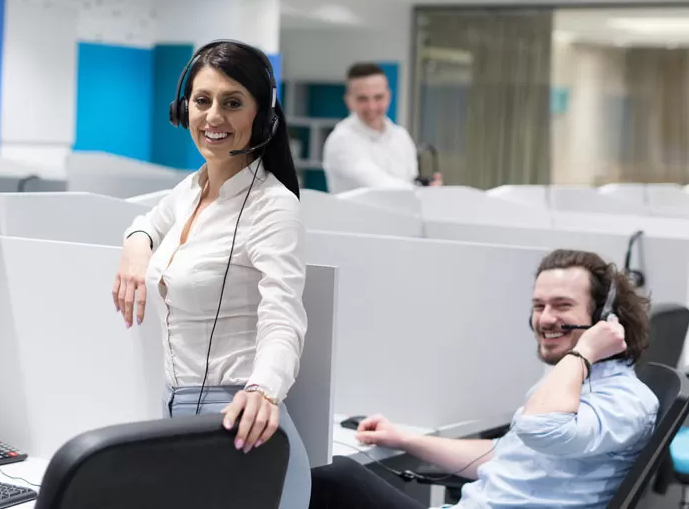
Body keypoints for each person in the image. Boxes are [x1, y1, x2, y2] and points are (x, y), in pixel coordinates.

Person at [113, 40, 310, 508]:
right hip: (178, 415)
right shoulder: (191, 189)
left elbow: (284, 313)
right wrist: (135, 249)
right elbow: (145, 222)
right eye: (202, 101)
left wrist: (265, 389)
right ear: (183, 110)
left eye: (232, 103)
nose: (213, 117)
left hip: (241, 421)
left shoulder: (273, 206)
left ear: (262, 117)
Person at [309, 248, 657, 509]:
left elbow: (542, 429)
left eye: (562, 305)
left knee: (329, 477)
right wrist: (405, 439)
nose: (545, 319)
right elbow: (503, 455)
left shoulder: (627, 401)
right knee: (330, 474)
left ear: (604, 318)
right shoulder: (567, 383)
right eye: (539, 306)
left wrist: (582, 353)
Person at [322, 63, 442, 193]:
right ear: (349, 101)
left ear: (388, 96)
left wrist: (427, 187)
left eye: (378, 97)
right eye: (363, 99)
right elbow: (378, 186)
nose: (372, 107)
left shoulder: (401, 136)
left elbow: (410, 181)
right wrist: (424, 193)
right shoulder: (341, 140)